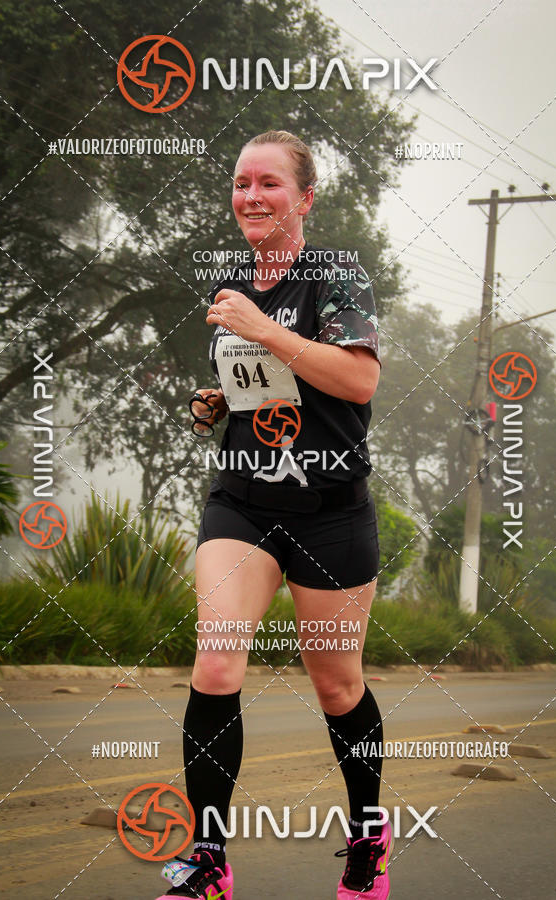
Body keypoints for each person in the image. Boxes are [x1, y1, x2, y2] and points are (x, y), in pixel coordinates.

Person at [156, 130, 392, 900]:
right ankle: (210, 863)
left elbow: (355, 382)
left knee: (337, 689)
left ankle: (367, 840)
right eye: (240, 183)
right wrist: (218, 399)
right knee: (218, 660)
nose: (251, 197)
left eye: (269, 184)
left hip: (329, 511)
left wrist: (264, 331)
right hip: (244, 500)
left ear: (305, 199)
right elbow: (265, 384)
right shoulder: (233, 278)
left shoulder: (337, 277)